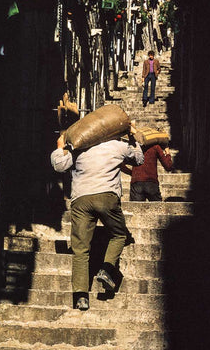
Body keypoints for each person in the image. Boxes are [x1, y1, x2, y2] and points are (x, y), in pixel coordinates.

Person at [50, 127, 144, 311]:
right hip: (107, 197)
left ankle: (81, 297)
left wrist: (60, 147)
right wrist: (134, 138)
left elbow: (58, 165)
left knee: (80, 249)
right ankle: (107, 269)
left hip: (81, 199)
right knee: (118, 235)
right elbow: (139, 159)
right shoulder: (118, 145)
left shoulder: (80, 148)